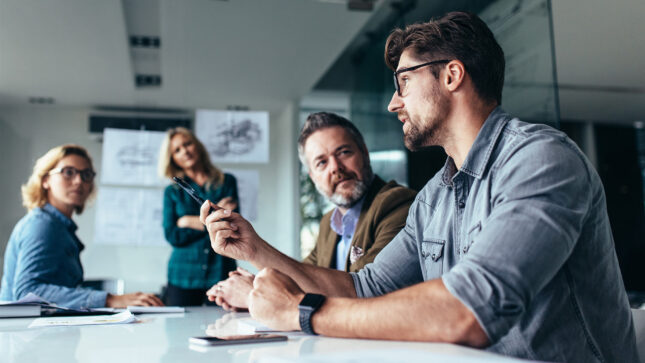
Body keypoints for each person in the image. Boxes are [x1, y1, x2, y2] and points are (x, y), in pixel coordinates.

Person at [199, 11, 638, 362]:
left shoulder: (541, 159)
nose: (394, 102)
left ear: (451, 76)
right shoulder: (435, 196)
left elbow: (469, 311)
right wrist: (253, 249)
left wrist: (301, 313)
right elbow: (364, 288)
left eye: (404, 81)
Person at [207, 112, 416, 310]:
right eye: (322, 162)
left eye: (344, 152)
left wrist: (254, 292)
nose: (335, 167)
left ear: (364, 153)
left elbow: (364, 293)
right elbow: (302, 279)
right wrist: (257, 286)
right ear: (313, 176)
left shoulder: (397, 204)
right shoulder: (329, 223)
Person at [0, 144, 163, 309]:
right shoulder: (42, 225)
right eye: (68, 172)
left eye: (86, 175)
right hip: (25, 333)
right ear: (45, 180)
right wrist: (109, 299)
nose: (79, 181)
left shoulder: (60, 227)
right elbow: (28, 292)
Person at [159, 127, 238, 306]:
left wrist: (187, 221)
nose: (185, 151)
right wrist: (212, 221)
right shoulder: (172, 192)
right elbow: (172, 235)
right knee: (179, 331)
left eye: (187, 144)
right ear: (173, 159)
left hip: (220, 271)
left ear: (197, 146)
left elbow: (231, 226)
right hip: (183, 275)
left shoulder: (227, 182)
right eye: (177, 150)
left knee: (224, 327)